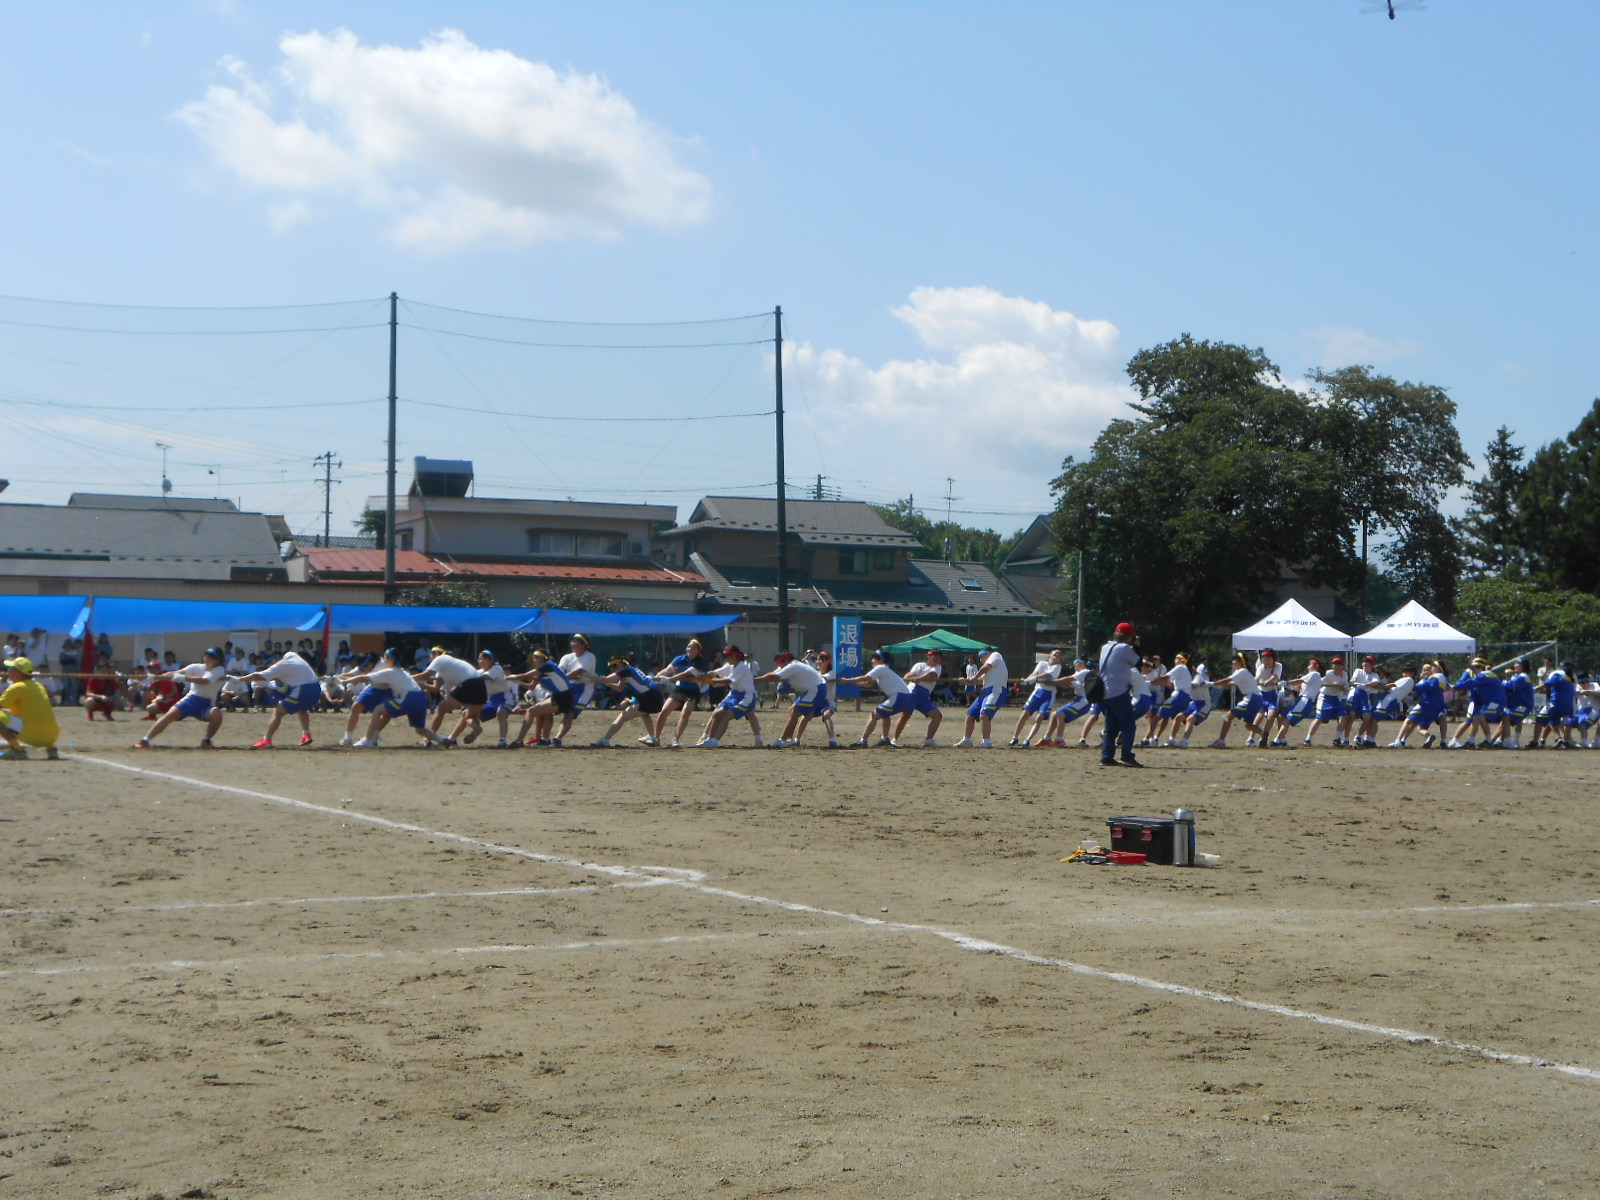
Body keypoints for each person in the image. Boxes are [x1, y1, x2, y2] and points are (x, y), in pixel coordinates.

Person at [340, 649, 449, 748]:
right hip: (421, 699)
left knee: (378, 710)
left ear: (391, 659)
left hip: (408, 698)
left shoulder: (389, 672)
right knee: (420, 729)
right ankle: (441, 739)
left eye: (386, 657)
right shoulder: (403, 671)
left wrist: (344, 682)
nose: (384, 660)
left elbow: (363, 677)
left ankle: (368, 740)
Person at [133, 648, 227, 749]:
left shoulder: (219, 670)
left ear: (218, 660)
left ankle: (206, 740)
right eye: (207, 656)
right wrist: (157, 678)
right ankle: (145, 740)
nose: (208, 658)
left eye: (213, 657)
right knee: (169, 716)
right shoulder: (195, 667)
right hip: (191, 699)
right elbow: (175, 673)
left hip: (206, 704)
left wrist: (185, 678)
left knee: (216, 713)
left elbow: (205, 680)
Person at [234, 647, 323, 748]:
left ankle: (266, 739)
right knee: (302, 709)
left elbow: (257, 676)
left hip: (303, 689)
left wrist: (240, 679)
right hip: (317, 688)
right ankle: (306, 735)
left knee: (278, 712)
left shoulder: (280, 666)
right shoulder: (294, 656)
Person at [1089, 622, 1143, 766]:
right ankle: (1127, 756)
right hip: (1119, 692)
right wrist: (1137, 646)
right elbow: (1138, 663)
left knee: (1111, 726)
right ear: (1130, 636)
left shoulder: (1106, 647)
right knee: (1129, 725)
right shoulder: (1124, 648)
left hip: (1105, 692)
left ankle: (1107, 757)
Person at [754, 651, 834, 747]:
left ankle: (782, 739)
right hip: (812, 690)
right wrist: (759, 679)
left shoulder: (793, 666)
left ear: (786, 660)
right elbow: (774, 673)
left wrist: (756, 680)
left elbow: (774, 677)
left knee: (795, 712)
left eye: (780, 664)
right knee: (791, 709)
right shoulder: (790, 665)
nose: (779, 667)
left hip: (816, 690)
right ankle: (789, 739)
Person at [839, 648, 915, 747]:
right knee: (885, 715)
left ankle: (863, 741)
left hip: (899, 697)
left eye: (875, 657)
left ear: (881, 659)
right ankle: (885, 739)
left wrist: (847, 680)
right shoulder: (884, 670)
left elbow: (866, 678)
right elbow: (869, 684)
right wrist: (851, 682)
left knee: (874, 715)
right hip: (906, 698)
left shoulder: (880, 668)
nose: (872, 660)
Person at [694, 644, 765, 748]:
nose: (726, 658)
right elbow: (714, 672)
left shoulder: (742, 667)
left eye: (728, 656)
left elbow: (728, 680)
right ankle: (709, 739)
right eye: (725, 656)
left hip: (746, 697)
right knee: (716, 714)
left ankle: (715, 740)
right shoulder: (729, 666)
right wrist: (701, 675)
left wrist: (708, 680)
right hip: (734, 694)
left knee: (727, 715)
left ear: (735, 656)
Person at [592, 653, 667, 747]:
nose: (614, 670)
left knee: (622, 716)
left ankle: (605, 740)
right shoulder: (630, 669)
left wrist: (591, 679)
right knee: (645, 714)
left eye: (614, 666)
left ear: (620, 664)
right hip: (654, 696)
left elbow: (608, 679)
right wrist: (607, 682)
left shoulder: (626, 670)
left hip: (649, 697)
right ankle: (652, 738)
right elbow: (619, 688)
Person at [417, 647, 490, 741]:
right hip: (480, 684)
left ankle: (426, 740)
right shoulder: (448, 667)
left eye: (432, 654)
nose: (430, 657)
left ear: (436, 654)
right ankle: (476, 728)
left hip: (468, 683)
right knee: (469, 716)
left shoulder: (441, 658)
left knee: (440, 709)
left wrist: (408, 678)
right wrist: (422, 685)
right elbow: (435, 688)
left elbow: (425, 675)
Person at [508, 650, 576, 746]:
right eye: (533, 656)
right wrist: (517, 681)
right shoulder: (543, 669)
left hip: (562, 697)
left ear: (543, 658)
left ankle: (519, 740)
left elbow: (526, 676)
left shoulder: (547, 665)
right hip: (561, 696)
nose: (534, 659)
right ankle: (545, 739)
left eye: (536, 656)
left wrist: (507, 678)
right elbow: (531, 686)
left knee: (531, 711)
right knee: (544, 713)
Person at [655, 638, 712, 750]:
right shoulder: (679, 659)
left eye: (693, 647)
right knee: (664, 711)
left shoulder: (700, 662)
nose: (690, 649)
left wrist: (669, 679)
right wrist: (657, 677)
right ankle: (655, 738)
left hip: (693, 691)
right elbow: (667, 670)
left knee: (685, 713)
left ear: (698, 650)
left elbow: (686, 674)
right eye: (689, 646)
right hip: (680, 689)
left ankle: (676, 739)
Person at [1, 655, 61, 760]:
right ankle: (51, 750)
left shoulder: (17, 687)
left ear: (19, 672)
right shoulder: (39, 686)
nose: (8, 671)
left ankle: (17, 750)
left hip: (34, 737)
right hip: (53, 736)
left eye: (11, 669)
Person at [1208, 652, 1268, 749]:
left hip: (1251, 698)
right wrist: (1218, 684)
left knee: (1228, 716)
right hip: (1256, 698)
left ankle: (1221, 741)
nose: (1233, 662)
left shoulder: (1242, 671)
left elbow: (1227, 680)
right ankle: (1263, 733)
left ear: (1242, 662)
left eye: (1236, 660)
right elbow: (1229, 684)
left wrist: (1212, 684)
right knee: (1248, 725)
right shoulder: (1244, 672)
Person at [953, 646, 1008, 748]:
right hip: (986, 692)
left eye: (981, 656)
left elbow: (985, 668)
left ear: (988, 654)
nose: (980, 659)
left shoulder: (995, 655)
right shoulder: (989, 669)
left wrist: (974, 677)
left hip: (996, 690)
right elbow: (978, 681)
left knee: (984, 715)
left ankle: (987, 741)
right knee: (970, 715)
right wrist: (967, 681)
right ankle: (967, 740)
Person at [891, 648, 944, 747]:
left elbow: (932, 675)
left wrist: (919, 678)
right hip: (913, 691)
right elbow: (910, 674)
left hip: (924, 695)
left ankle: (928, 740)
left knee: (937, 716)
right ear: (928, 656)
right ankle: (894, 740)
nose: (936, 658)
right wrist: (910, 677)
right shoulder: (920, 665)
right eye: (933, 656)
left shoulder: (938, 667)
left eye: (938, 656)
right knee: (905, 715)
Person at [1010, 650, 1063, 747]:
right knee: (1025, 714)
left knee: (1039, 717)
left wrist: (1036, 678)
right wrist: (1027, 680)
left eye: (1059, 654)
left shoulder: (1058, 667)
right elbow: (1035, 673)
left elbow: (1047, 675)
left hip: (1049, 695)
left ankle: (1028, 739)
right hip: (1038, 692)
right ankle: (1015, 737)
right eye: (1055, 653)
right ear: (1050, 655)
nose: (1057, 655)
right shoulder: (1042, 663)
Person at [1301, 656, 1350, 747]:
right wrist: (1333, 685)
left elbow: (1345, 689)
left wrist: (1340, 687)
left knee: (1344, 716)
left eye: (1339, 664)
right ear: (1332, 666)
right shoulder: (1328, 673)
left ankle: (1337, 739)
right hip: (1325, 697)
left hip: (1336, 698)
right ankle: (1308, 739)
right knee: (1319, 718)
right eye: (1335, 664)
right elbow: (1319, 683)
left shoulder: (1344, 675)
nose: (1337, 666)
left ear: (1342, 666)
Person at [557, 634, 599, 737]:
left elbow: (578, 672)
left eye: (577, 642)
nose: (573, 644)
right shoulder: (567, 657)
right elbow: (559, 671)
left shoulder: (589, 657)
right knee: (554, 709)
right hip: (570, 686)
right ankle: (544, 737)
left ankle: (557, 737)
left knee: (570, 713)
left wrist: (563, 679)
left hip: (585, 689)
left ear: (584, 645)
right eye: (573, 641)